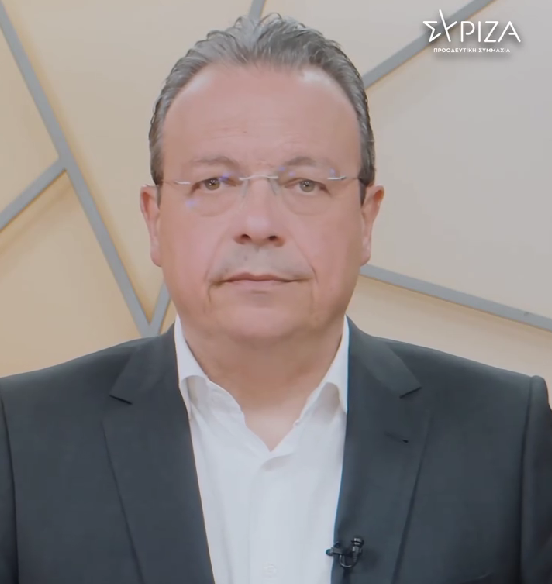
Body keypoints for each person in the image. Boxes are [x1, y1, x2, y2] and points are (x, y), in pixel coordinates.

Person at [0, 13, 551, 584]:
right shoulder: (21, 438)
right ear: (154, 219)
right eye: (214, 183)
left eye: (305, 184)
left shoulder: (505, 434)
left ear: (366, 219)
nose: (259, 224)